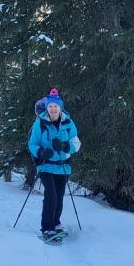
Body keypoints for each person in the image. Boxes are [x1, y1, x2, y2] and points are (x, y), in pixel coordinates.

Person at [27, 87, 81, 239]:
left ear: (60, 107)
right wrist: (40, 152)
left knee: (59, 196)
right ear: (47, 107)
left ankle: (56, 223)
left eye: (55, 106)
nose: (53, 109)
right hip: (45, 165)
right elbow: (32, 143)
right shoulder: (40, 123)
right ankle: (47, 227)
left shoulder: (68, 123)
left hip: (63, 166)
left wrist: (65, 146)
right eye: (50, 106)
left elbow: (76, 143)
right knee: (51, 194)